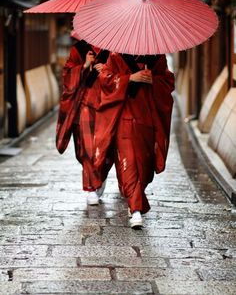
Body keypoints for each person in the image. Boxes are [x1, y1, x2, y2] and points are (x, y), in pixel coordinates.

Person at [93, 53, 175, 228]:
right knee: (128, 162)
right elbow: (105, 80)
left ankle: (136, 201)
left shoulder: (157, 58)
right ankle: (135, 210)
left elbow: (168, 82)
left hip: (147, 119)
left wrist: (154, 80)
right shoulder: (116, 56)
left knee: (144, 166)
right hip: (125, 118)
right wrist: (130, 78)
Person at [56, 39, 112, 205]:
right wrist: (85, 65)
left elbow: (121, 74)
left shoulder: (115, 49)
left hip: (108, 103)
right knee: (86, 148)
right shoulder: (79, 49)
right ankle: (91, 187)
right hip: (84, 104)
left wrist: (108, 70)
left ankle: (99, 177)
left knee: (106, 148)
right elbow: (67, 75)